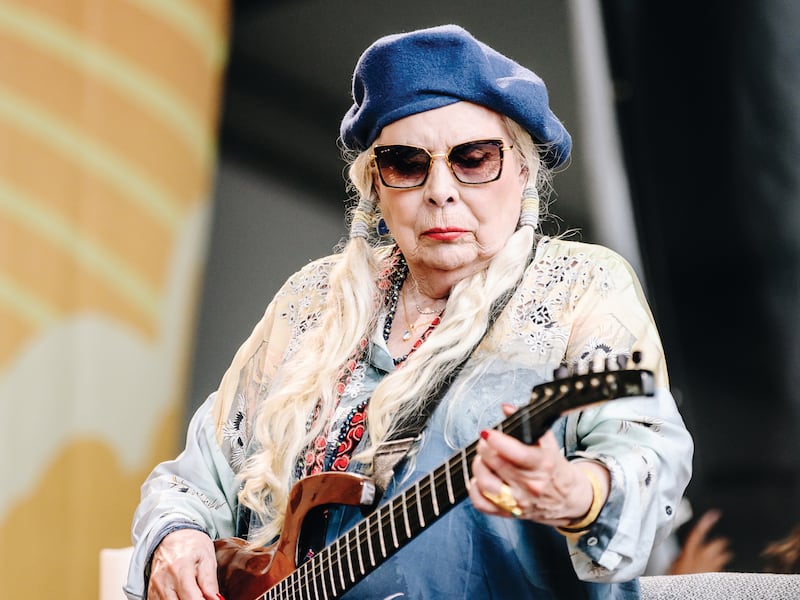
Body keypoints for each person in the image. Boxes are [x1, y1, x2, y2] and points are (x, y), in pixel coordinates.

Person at [125, 24, 693, 599]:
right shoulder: (311, 298)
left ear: (523, 171)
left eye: (474, 159)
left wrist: (576, 493)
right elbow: (195, 477)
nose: (441, 189)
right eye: (406, 164)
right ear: (376, 183)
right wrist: (176, 535)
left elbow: (648, 454)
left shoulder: (581, 285)